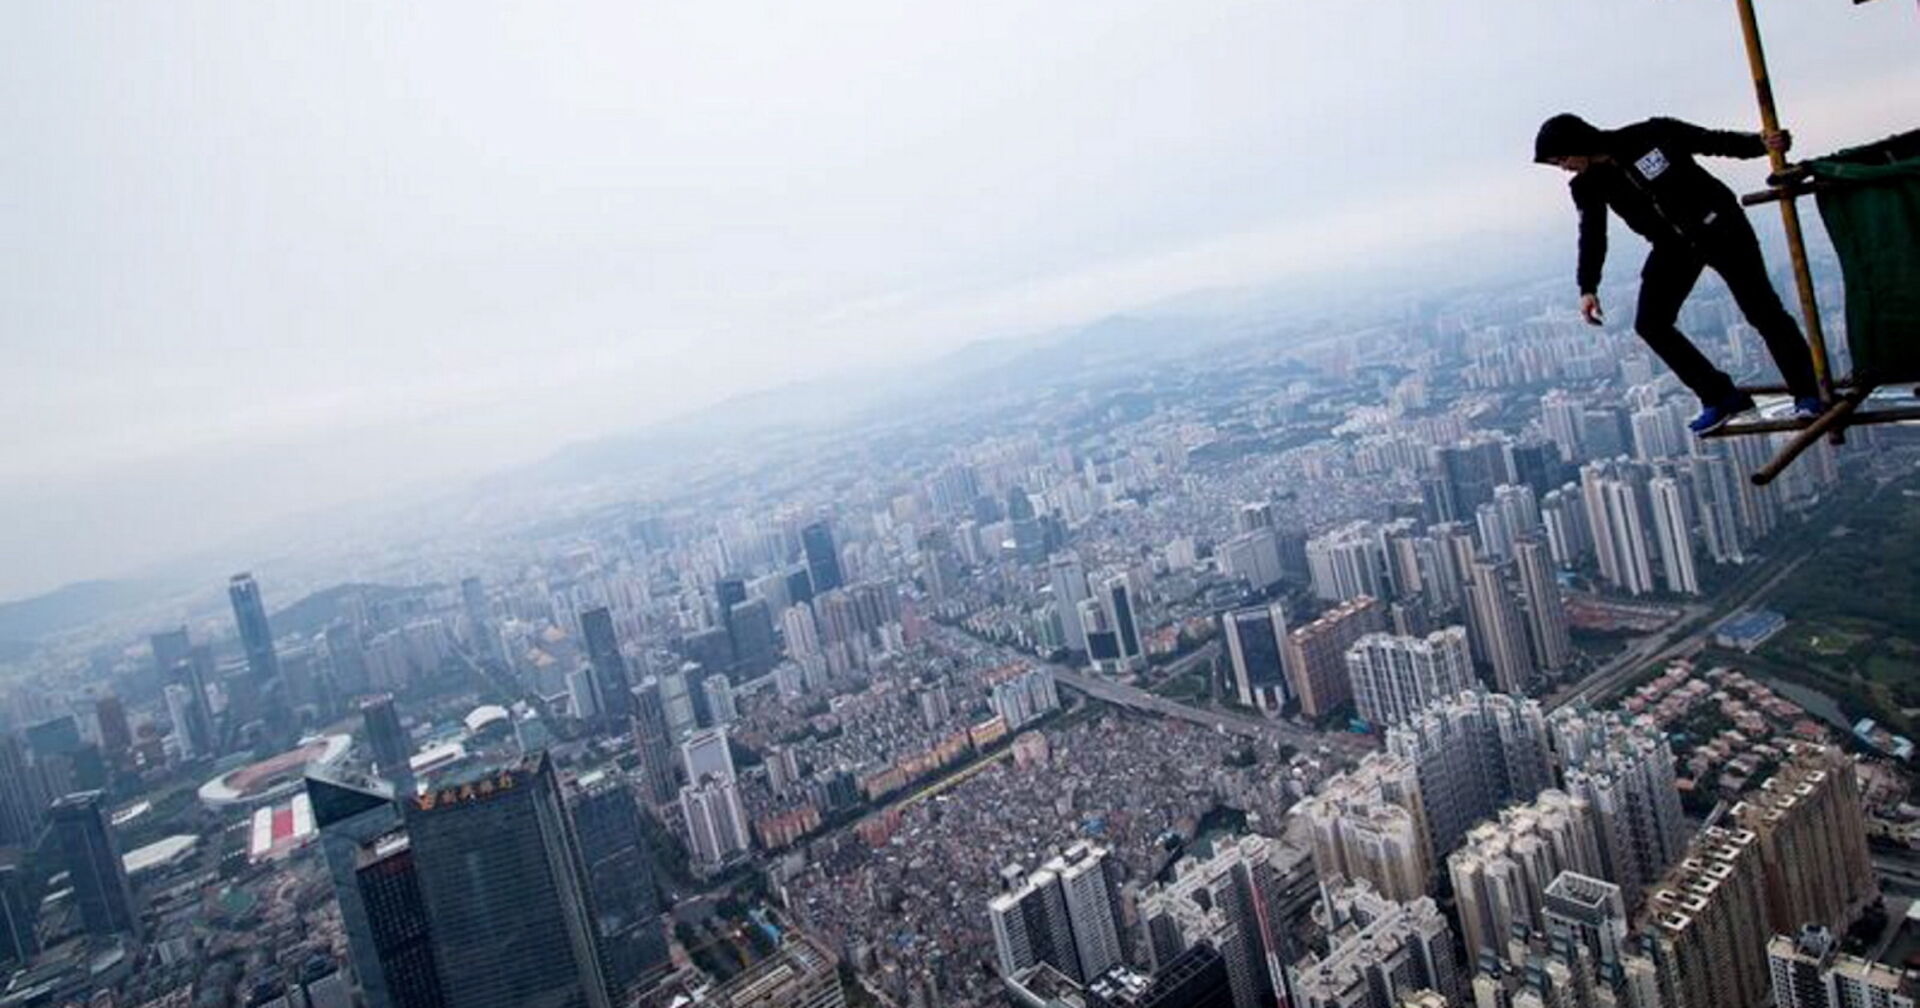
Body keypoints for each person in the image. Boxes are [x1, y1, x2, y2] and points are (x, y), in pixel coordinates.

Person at [1534, 113, 1822, 434]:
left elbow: (1714, 141)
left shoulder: (1652, 135)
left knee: (1762, 310)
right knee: (1651, 324)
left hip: (1719, 226)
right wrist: (1588, 286)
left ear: (1580, 143)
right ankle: (1720, 395)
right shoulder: (1587, 185)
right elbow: (1592, 234)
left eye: (1562, 158)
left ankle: (1807, 393)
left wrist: (1762, 144)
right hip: (1672, 246)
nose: (1563, 167)